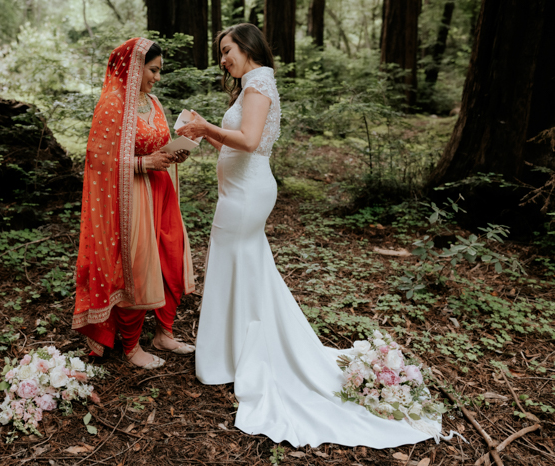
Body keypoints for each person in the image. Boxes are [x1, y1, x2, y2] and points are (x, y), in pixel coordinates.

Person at [177, 24, 441, 447]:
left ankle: (234, 355)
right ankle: (233, 350)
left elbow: (247, 141)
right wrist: (203, 136)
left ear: (248, 47)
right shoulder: (251, 85)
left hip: (245, 195)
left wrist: (207, 127)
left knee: (237, 261)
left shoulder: (259, 82)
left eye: (228, 50)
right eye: (221, 53)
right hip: (243, 189)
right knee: (245, 265)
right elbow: (239, 146)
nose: (223, 59)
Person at [73, 38, 196, 370]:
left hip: (162, 191)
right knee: (138, 268)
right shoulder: (114, 104)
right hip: (130, 198)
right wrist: (144, 164)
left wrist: (175, 154)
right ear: (134, 66)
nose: (157, 77)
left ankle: (164, 333)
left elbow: (160, 146)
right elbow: (98, 163)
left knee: (171, 256)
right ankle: (131, 348)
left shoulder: (153, 102)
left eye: (159, 71)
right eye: (153, 70)